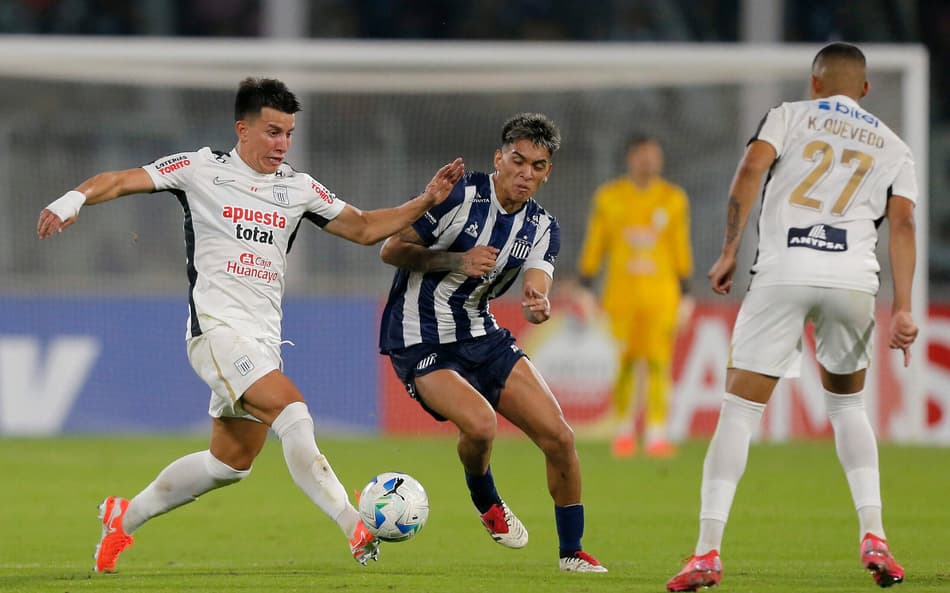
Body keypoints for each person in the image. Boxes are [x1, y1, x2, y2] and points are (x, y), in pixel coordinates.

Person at [36, 77, 465, 574]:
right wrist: (71, 200)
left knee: (229, 464)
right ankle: (355, 525)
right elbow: (119, 180)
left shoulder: (298, 188)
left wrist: (427, 199)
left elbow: (366, 228)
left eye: (288, 134)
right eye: (272, 132)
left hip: (263, 339)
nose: (282, 144)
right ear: (243, 129)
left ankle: (122, 520)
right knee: (294, 412)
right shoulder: (201, 169)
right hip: (216, 332)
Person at [666, 42, 918, 591]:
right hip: (853, 281)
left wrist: (731, 248)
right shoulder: (895, 146)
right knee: (849, 406)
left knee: (737, 412)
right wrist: (902, 307)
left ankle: (707, 551)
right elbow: (902, 226)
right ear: (867, 90)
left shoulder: (788, 116)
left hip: (783, 272)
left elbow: (751, 168)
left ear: (816, 84)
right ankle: (874, 534)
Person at [378, 113, 607, 573]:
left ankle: (572, 553)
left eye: (537, 166)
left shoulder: (542, 226)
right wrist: (455, 260)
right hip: (419, 336)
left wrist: (537, 299)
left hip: (482, 335)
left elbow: (538, 277)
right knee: (481, 426)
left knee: (560, 438)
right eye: (518, 161)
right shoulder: (460, 195)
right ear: (498, 159)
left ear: (547, 172)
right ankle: (486, 499)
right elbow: (390, 249)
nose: (525, 173)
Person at [575, 135, 694, 458]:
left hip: (661, 296)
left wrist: (686, 294)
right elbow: (595, 244)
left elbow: (680, 246)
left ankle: (657, 433)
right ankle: (625, 430)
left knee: (658, 363)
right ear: (630, 158)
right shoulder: (609, 197)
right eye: (643, 155)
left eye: (654, 156)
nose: (649, 162)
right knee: (624, 364)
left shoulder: (673, 199)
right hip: (621, 296)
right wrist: (585, 286)